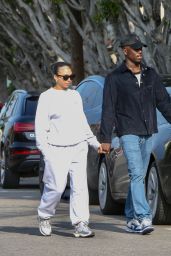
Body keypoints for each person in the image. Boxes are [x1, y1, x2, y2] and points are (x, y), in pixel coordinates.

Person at [100, 33, 171, 235]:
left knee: (137, 177)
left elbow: (164, 103)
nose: (140, 51)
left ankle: (131, 218)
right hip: (128, 131)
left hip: (148, 132)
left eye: (141, 48)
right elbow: (108, 109)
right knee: (136, 173)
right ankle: (143, 215)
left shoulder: (151, 74)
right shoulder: (115, 78)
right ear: (125, 51)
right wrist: (105, 138)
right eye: (136, 48)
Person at [35, 61, 102, 238]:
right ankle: (44, 215)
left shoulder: (75, 96)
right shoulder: (46, 97)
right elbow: (40, 128)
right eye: (65, 77)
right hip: (56, 149)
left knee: (80, 187)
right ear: (55, 77)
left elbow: (82, 122)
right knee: (56, 188)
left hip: (78, 147)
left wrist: (95, 143)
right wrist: (46, 153)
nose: (69, 80)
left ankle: (80, 223)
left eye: (71, 76)